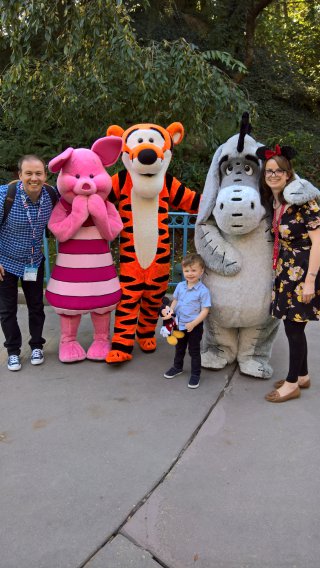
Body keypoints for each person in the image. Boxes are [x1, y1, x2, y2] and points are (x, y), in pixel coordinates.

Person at [256, 144, 320, 402]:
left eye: (278, 171)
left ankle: (292, 383)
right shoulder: (278, 200)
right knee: (294, 327)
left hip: (303, 272)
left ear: (288, 173)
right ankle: (302, 375)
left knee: (294, 329)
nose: (272, 175)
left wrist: (310, 281)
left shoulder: (304, 201)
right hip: (287, 272)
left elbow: (318, 241)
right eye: (269, 171)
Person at [0, 155, 58, 371]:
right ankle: (13, 351)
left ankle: (36, 345)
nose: (34, 178)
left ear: (45, 175)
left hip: (33, 262)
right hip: (6, 262)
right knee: (7, 310)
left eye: (38, 173)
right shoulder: (5, 196)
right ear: (20, 175)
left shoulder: (52, 195)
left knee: (36, 306)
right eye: (29, 173)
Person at [163, 253, 211, 389]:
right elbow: (175, 300)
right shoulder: (180, 286)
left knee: (194, 351)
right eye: (187, 270)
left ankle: (196, 374)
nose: (190, 273)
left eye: (194, 270)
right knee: (179, 348)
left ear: (201, 272)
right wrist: (170, 312)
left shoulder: (203, 291)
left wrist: (194, 323)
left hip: (194, 326)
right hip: (179, 324)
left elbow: (205, 310)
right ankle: (177, 367)